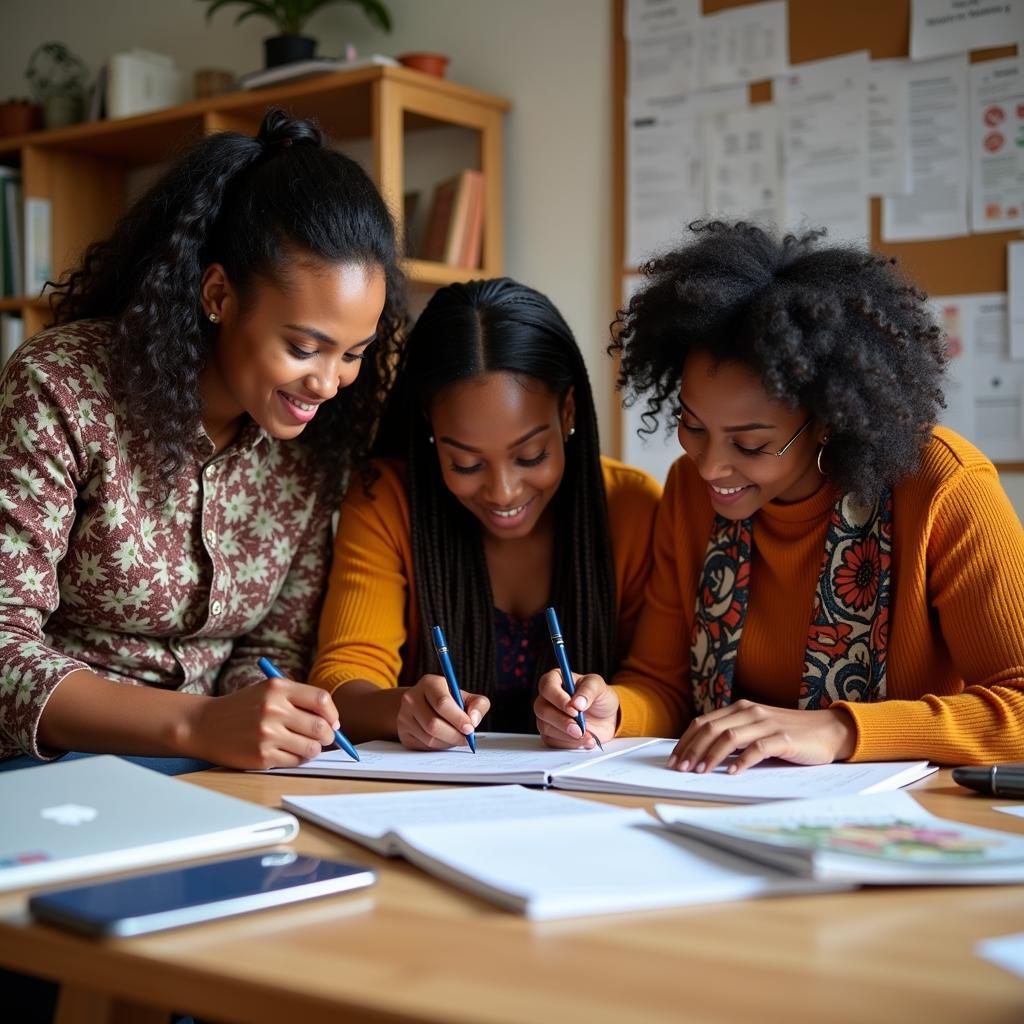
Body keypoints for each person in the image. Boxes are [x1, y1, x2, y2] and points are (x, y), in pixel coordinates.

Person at [0, 108, 405, 772]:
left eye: (355, 353)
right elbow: (4, 647)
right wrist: (196, 724)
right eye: (305, 348)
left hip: (220, 771)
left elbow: (267, 654)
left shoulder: (315, 445)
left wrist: (272, 718)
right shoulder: (61, 388)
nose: (329, 383)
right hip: (48, 768)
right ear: (218, 293)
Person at [534, 220, 1024, 768]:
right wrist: (612, 710)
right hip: (725, 807)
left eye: (750, 443)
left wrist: (839, 729)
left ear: (827, 423)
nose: (710, 465)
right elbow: (662, 683)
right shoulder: (687, 493)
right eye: (693, 427)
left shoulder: (942, 487)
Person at [310, 277, 661, 747]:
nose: (503, 491)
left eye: (531, 455)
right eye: (467, 463)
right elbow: (343, 675)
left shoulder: (631, 507)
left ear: (569, 413)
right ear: (430, 429)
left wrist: (615, 712)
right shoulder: (386, 501)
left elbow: (663, 686)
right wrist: (401, 708)